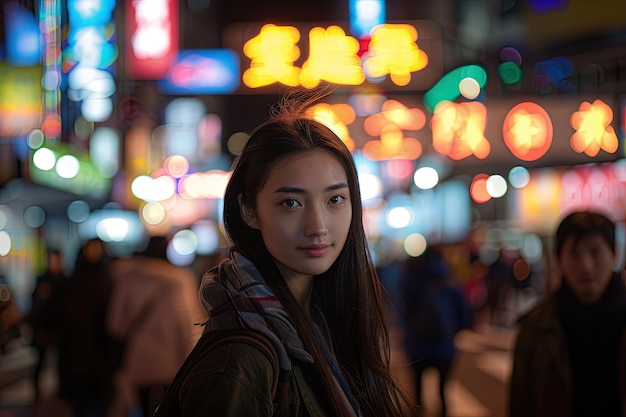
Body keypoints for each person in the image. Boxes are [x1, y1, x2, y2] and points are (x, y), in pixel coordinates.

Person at [155, 86, 418, 417]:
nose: (317, 225)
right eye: (291, 203)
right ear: (249, 210)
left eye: (334, 199)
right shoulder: (239, 363)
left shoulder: (320, 321)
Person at [509, 210, 626, 417]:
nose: (585, 265)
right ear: (558, 260)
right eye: (574, 254)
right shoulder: (535, 329)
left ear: (614, 254)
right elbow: (520, 404)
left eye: (595, 252)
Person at [106, 235, 205, 417]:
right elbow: (190, 327)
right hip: (171, 365)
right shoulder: (181, 280)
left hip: (137, 364)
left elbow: (115, 325)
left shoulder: (129, 279)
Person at [399, 245, 473, 417]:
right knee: (443, 392)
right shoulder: (450, 282)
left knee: (417, 394)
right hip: (444, 348)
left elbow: (403, 312)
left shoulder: (412, 280)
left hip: (417, 347)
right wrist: (452, 332)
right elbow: (464, 314)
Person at [54, 238, 119, 417]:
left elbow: (54, 322)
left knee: (78, 409)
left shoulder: (67, 285)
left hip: (72, 363)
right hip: (102, 365)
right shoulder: (108, 286)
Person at [26, 248, 66, 402]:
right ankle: (37, 395)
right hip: (43, 328)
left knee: (60, 364)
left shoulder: (64, 280)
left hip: (58, 328)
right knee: (40, 364)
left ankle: (59, 394)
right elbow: (35, 304)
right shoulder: (42, 280)